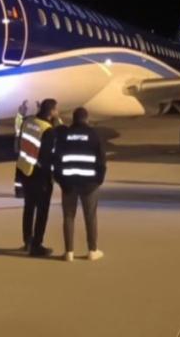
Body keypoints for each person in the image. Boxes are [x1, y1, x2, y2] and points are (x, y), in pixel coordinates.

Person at [53, 107, 107, 262]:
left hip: (69, 183)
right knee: (90, 216)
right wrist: (98, 180)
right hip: (89, 184)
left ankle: (69, 252)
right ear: (87, 119)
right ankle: (92, 250)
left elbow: (57, 160)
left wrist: (61, 180)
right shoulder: (94, 135)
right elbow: (101, 161)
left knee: (68, 216)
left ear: (73, 119)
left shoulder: (64, 135)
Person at [16, 98, 59, 256]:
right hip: (40, 175)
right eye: (56, 109)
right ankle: (37, 245)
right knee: (42, 211)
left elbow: (21, 140)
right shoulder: (47, 130)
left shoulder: (28, 122)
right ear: (51, 111)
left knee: (29, 207)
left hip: (25, 170)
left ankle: (27, 240)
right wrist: (51, 176)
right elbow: (46, 157)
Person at [13, 100, 30, 198]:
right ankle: (23, 190)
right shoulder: (30, 129)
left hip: (20, 153)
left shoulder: (20, 129)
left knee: (20, 173)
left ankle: (19, 191)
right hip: (27, 153)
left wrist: (20, 113)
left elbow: (18, 123)